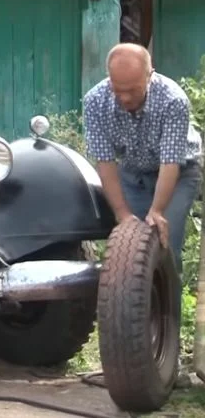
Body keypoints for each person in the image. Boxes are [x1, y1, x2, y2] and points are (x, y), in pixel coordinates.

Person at [82, 42, 202, 386]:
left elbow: (170, 163)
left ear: (149, 76)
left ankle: (171, 362)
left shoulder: (173, 100)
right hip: (132, 175)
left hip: (177, 175)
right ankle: (128, 358)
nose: (124, 98)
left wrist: (157, 212)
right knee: (125, 257)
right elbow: (105, 163)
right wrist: (122, 214)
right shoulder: (96, 100)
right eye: (117, 90)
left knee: (165, 255)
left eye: (132, 91)